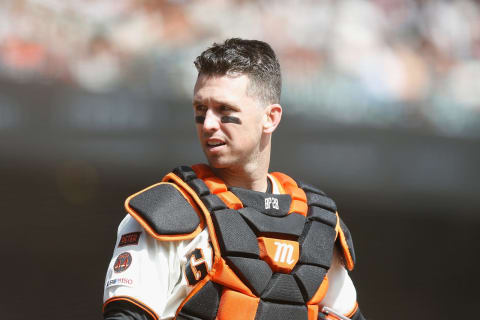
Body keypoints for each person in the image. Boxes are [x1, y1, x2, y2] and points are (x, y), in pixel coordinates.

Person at [103, 38, 366, 320]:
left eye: (225, 111)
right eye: (200, 110)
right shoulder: (167, 212)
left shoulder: (315, 223)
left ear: (271, 118)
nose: (208, 124)